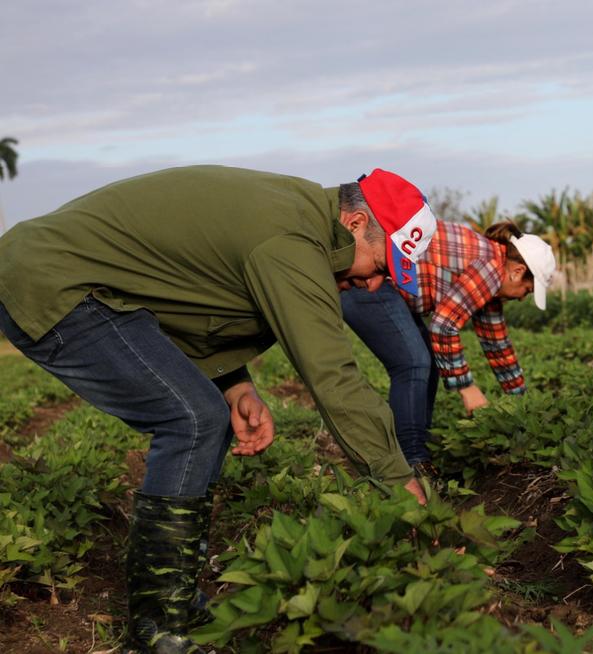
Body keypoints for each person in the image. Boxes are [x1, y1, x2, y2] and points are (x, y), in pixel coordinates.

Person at [0, 165, 437, 653]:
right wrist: (399, 482)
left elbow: (190, 293)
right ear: (355, 224)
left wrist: (235, 385)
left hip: (91, 287)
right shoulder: (290, 241)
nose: (376, 284)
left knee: (211, 414)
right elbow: (333, 375)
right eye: (380, 266)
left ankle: (177, 602)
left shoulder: (295, 216)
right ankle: (156, 630)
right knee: (190, 420)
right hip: (54, 283)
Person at [341, 220, 556, 478]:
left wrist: (523, 402)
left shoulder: (492, 270)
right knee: (414, 363)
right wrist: (467, 388)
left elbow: (497, 344)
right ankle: (410, 464)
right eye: (527, 289)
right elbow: (443, 326)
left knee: (427, 362)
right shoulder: (489, 267)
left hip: (384, 286)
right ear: (517, 271)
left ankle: (414, 450)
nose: (522, 296)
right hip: (367, 280)